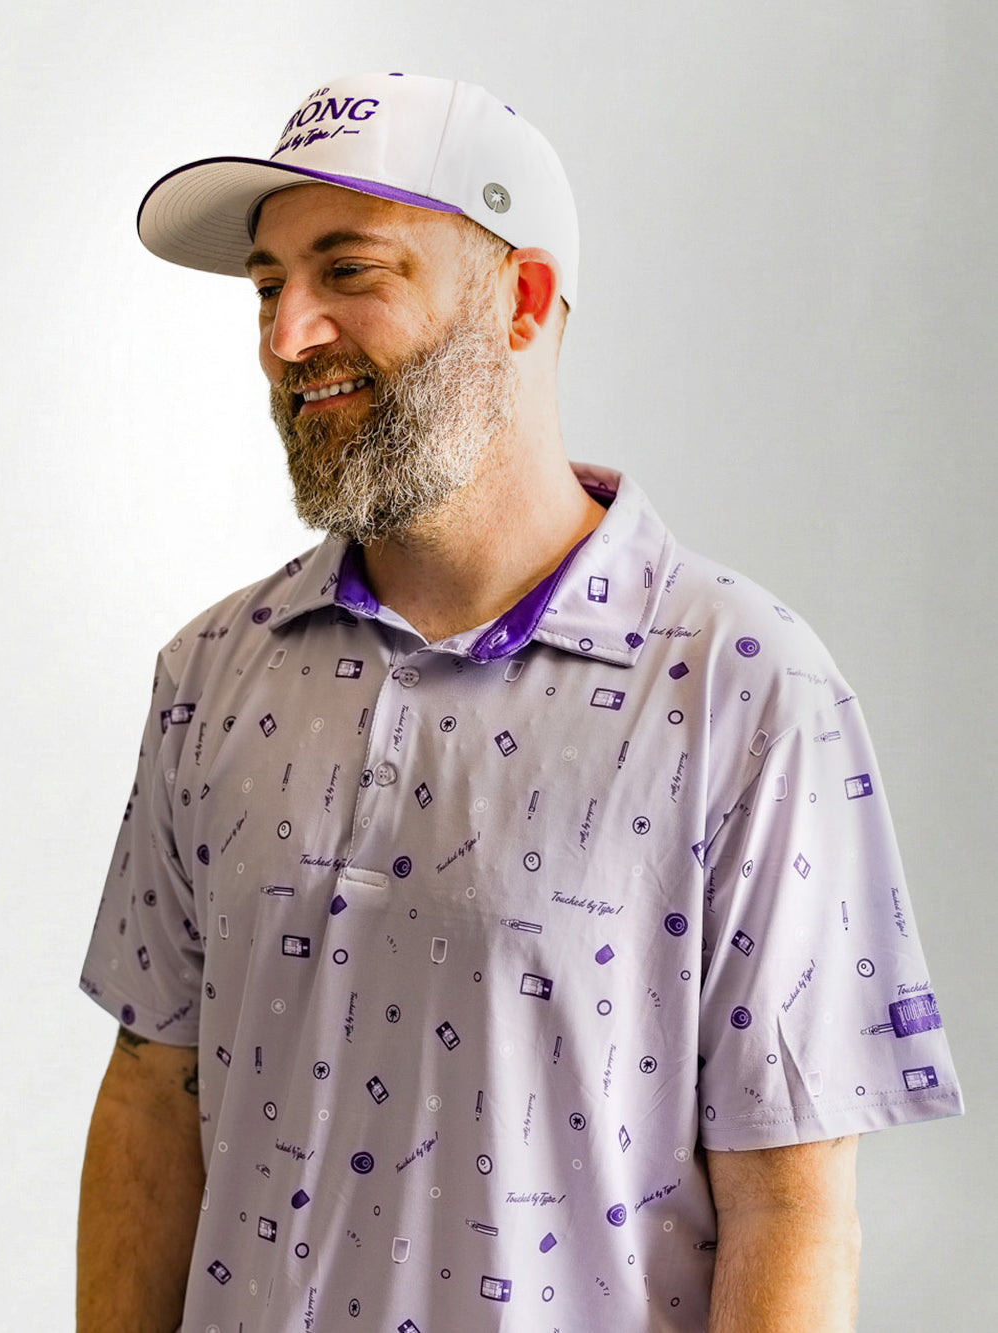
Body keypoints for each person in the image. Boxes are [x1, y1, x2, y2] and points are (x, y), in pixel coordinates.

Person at [77, 72, 963, 1333]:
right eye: (270, 285)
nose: (287, 335)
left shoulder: (743, 690)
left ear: (523, 301)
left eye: (350, 271)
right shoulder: (213, 671)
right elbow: (152, 1096)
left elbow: (789, 1206)